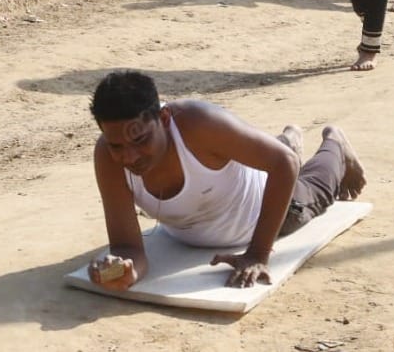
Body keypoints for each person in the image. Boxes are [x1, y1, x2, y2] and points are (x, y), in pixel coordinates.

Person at [86, 70, 366, 289]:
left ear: (164, 117)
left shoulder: (200, 124)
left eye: (141, 140)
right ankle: (284, 141)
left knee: (314, 186)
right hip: (196, 223)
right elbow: (128, 247)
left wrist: (257, 254)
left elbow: (283, 165)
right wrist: (125, 270)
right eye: (117, 146)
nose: (130, 156)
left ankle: (335, 145)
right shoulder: (107, 155)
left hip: (267, 209)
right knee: (270, 153)